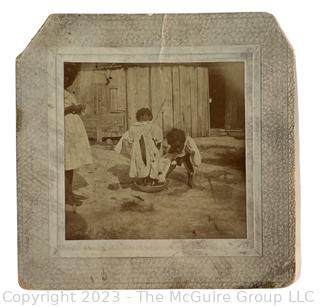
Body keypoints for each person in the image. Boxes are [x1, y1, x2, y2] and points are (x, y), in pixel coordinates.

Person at [64, 63, 93, 205]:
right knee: (67, 163)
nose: (66, 80)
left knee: (71, 162)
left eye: (69, 78)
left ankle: (68, 192)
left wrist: (79, 107)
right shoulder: (55, 92)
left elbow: (73, 109)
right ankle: (67, 195)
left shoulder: (69, 93)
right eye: (64, 76)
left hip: (72, 131)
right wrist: (71, 108)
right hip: (64, 130)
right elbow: (54, 111)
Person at [115, 107, 163, 185]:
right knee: (146, 163)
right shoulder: (149, 126)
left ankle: (148, 179)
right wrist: (157, 144)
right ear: (139, 117)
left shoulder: (141, 127)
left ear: (150, 117)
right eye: (143, 116)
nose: (145, 118)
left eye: (147, 116)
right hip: (145, 149)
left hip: (140, 149)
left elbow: (130, 139)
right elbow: (158, 137)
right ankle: (147, 179)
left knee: (144, 163)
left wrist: (157, 144)